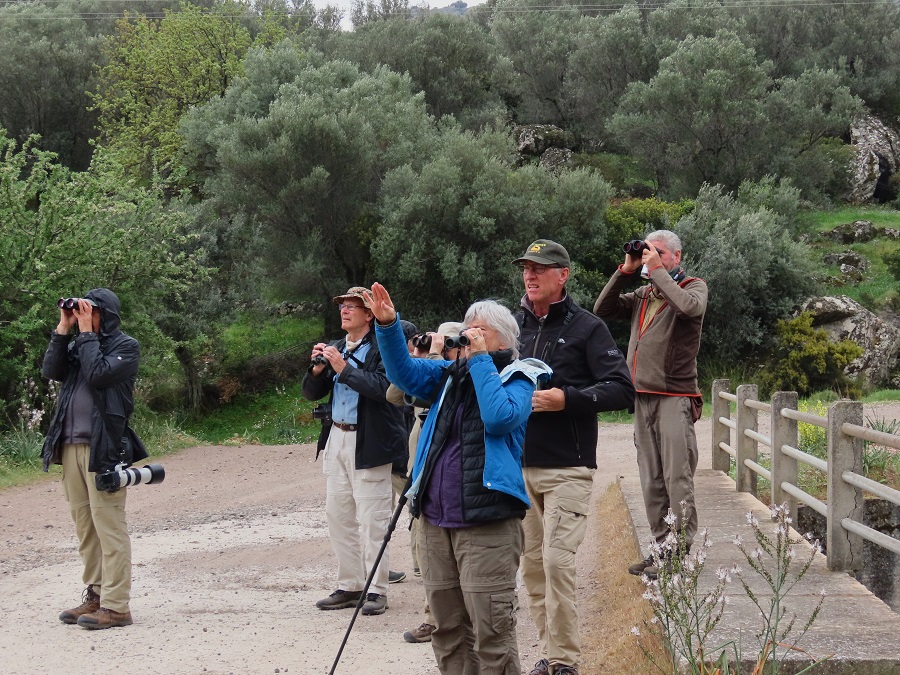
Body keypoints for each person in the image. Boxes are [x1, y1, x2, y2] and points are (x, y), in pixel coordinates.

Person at [366, 283, 551, 675]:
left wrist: (481, 358)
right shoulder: (449, 375)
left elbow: (499, 417)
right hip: (435, 520)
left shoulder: (520, 376)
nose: (469, 337)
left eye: (479, 331)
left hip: (487, 524)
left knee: (492, 632)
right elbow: (403, 374)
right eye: (467, 331)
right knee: (446, 629)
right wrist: (387, 326)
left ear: (504, 338)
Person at [512, 240, 635, 675]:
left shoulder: (588, 327)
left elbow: (622, 389)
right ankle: (549, 654)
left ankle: (565, 661)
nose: (530, 276)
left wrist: (569, 399)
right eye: (526, 268)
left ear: (563, 274)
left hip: (568, 465)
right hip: (518, 465)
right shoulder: (512, 328)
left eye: (540, 269)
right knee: (531, 568)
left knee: (556, 561)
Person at [593, 229, 707, 580]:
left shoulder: (693, 286)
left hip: (675, 395)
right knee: (651, 479)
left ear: (676, 256)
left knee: (677, 477)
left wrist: (656, 270)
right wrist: (625, 270)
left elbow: (689, 308)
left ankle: (680, 551)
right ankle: (661, 550)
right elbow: (603, 309)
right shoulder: (645, 294)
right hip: (641, 395)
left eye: (657, 252)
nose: (649, 256)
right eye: (647, 251)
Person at [301, 287, 409, 616]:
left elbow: (384, 390)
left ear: (368, 314)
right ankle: (350, 585)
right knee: (338, 516)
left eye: (353, 307)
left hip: (371, 441)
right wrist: (318, 370)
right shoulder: (335, 346)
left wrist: (344, 368)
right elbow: (309, 393)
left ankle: (377, 589)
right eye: (342, 306)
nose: (345, 311)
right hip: (337, 437)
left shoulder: (384, 348)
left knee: (373, 519)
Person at [41, 289, 142, 630]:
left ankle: (117, 606)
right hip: (69, 446)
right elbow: (51, 370)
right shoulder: (79, 344)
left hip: (103, 448)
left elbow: (98, 374)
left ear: (107, 315)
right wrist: (63, 329)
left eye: (91, 311)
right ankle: (96, 595)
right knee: (86, 528)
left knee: (108, 525)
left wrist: (86, 334)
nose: (85, 315)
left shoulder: (125, 347)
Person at [392, 321, 466, 645]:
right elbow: (393, 393)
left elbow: (446, 388)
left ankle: (439, 618)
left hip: (448, 452)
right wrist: (417, 356)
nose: (443, 348)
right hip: (420, 441)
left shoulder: (464, 371)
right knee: (422, 537)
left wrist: (435, 357)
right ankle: (434, 615)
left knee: (447, 544)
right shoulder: (431, 364)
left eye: (448, 343)